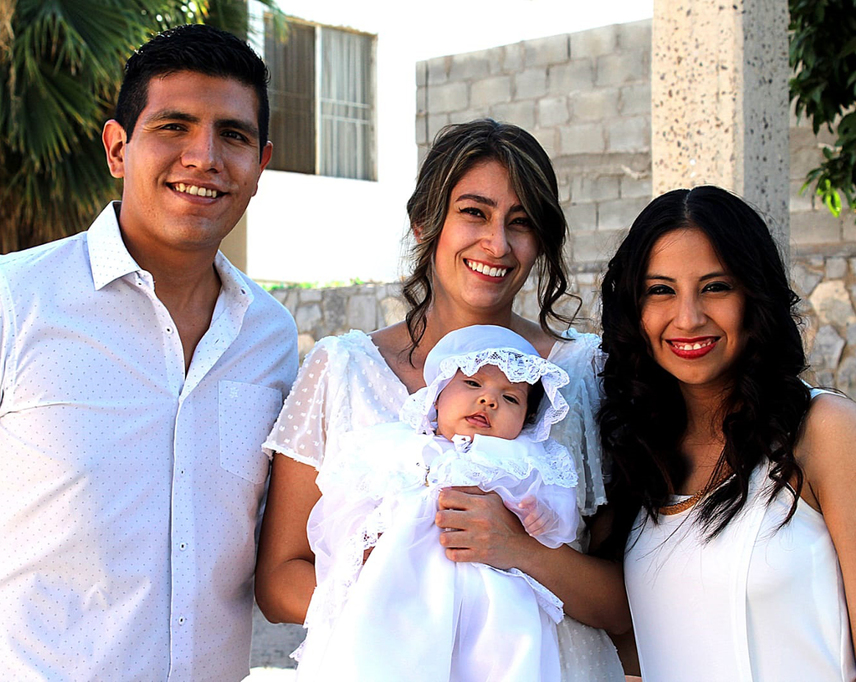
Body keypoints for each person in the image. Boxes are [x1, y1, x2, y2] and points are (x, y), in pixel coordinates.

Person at [0, 24, 297, 680]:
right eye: (174, 125)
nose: (204, 156)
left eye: (233, 134)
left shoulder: (271, 338)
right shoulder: (7, 302)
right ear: (118, 148)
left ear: (261, 162)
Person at [256, 119, 626, 681]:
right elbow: (279, 580)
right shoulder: (344, 371)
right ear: (425, 222)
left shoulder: (584, 375)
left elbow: (625, 602)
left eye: (520, 223)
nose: (497, 244)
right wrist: (398, 606)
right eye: (474, 213)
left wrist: (519, 549)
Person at [598, 185, 856, 680]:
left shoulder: (824, 431)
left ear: (754, 295)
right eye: (661, 290)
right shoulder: (635, 450)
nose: (688, 317)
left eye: (715, 286)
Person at [296, 325, 579, 680]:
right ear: (438, 392)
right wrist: (363, 540)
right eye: (473, 384)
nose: (489, 400)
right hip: (403, 582)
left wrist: (540, 518)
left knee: (501, 654)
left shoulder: (522, 458)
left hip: (490, 596)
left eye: (510, 398)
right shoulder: (400, 446)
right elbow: (343, 503)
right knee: (381, 653)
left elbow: (561, 516)